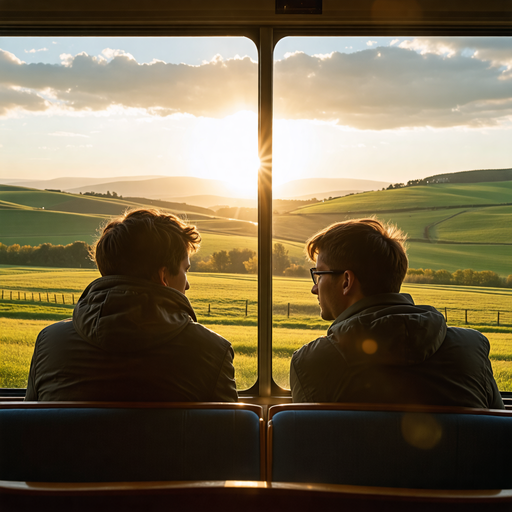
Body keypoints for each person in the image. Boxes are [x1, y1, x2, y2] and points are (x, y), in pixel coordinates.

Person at [25, 209, 237, 402]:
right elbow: (228, 440)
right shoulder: (212, 351)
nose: (187, 284)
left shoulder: (49, 344)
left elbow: (29, 432)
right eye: (185, 270)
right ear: (164, 276)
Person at [290, 218, 503, 409]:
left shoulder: (313, 362)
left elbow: (309, 447)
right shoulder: (471, 349)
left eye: (318, 274)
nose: (314, 288)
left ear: (346, 281)